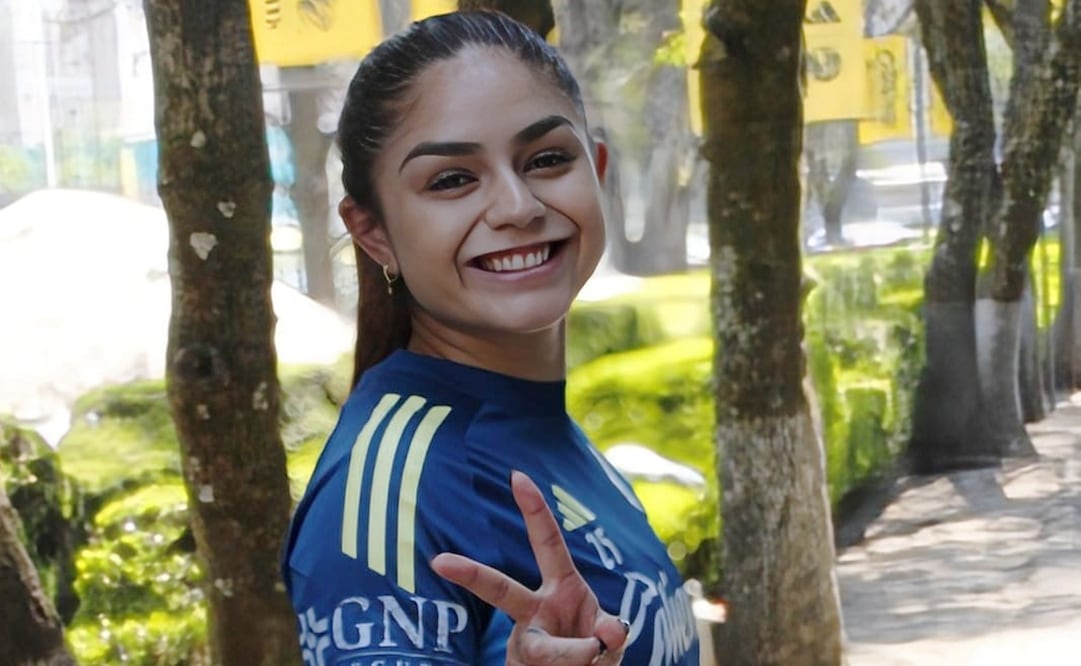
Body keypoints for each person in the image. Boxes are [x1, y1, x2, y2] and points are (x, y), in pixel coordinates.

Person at [281, 10, 701, 665]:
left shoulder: (536, 426)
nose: (517, 206)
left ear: (595, 168)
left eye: (546, 159)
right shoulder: (390, 488)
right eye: (451, 179)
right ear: (373, 231)